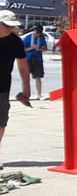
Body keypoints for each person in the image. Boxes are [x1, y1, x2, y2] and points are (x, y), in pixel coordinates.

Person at [0, 10, 31, 169]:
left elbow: (23, 67)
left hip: (2, 87)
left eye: (12, 26)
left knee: (1, 121)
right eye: (7, 26)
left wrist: (27, 89)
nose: (10, 29)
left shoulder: (15, 42)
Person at [21, 25, 48, 100]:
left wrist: (39, 49)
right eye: (37, 33)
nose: (37, 35)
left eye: (39, 34)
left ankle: (39, 95)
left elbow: (45, 48)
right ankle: (25, 94)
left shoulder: (41, 38)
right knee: (25, 78)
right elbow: (22, 49)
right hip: (28, 59)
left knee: (38, 77)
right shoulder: (27, 38)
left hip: (38, 59)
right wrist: (31, 48)